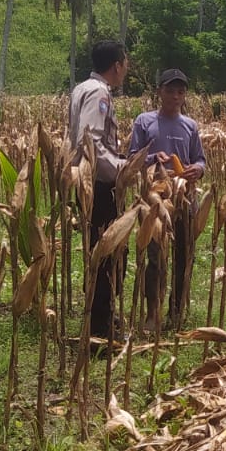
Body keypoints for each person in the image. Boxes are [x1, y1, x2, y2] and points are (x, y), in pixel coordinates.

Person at [129, 68, 207, 331]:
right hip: (156, 198)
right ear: (159, 92)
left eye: (181, 92)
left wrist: (198, 169)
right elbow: (132, 157)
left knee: (184, 256)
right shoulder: (144, 121)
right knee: (155, 257)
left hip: (185, 196)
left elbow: (200, 159)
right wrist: (153, 158)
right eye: (170, 91)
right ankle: (152, 314)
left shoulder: (190, 126)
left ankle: (176, 312)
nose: (175, 96)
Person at [67, 41, 131, 342]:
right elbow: (91, 143)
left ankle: (101, 314)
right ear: (117, 65)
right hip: (99, 185)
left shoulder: (81, 88)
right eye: (125, 63)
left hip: (87, 182)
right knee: (106, 252)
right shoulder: (99, 93)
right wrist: (123, 169)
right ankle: (101, 327)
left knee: (98, 250)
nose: (126, 69)